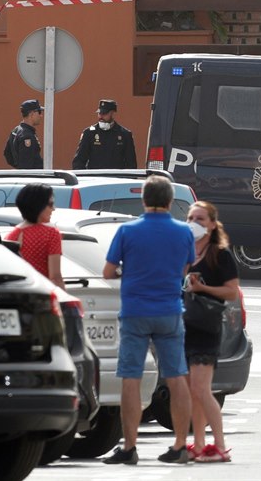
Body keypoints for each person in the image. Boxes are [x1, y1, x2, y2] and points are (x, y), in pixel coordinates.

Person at [101, 175, 196, 466]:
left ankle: (129, 447)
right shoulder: (184, 232)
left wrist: (126, 274)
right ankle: (180, 444)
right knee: (177, 375)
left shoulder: (127, 231)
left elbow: (108, 271)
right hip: (169, 310)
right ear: (169, 201)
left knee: (131, 376)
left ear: (144, 200)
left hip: (135, 311)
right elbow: (186, 268)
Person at [183, 201, 240, 463]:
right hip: (184, 326)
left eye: (201, 219)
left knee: (202, 389)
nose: (195, 223)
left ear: (212, 224)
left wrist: (202, 289)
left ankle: (220, 445)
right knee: (191, 390)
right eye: (191, 218)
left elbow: (231, 292)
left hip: (206, 326)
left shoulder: (220, 254)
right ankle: (198, 444)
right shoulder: (183, 252)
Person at [3, 183, 64, 289]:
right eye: (50, 204)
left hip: (21, 295)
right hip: (44, 294)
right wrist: (67, 301)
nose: (53, 209)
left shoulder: (12, 236)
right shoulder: (51, 233)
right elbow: (55, 276)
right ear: (38, 205)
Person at [72, 99, 137, 169]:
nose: (101, 116)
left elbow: (131, 163)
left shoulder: (125, 134)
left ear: (112, 113)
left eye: (104, 113)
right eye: (99, 113)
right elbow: (78, 161)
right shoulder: (89, 133)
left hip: (117, 178)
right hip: (95, 178)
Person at [3, 99, 44, 168]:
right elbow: (26, 166)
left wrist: (17, 167)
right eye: (39, 112)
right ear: (32, 114)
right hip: (32, 177)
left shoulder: (16, 130)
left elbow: (7, 154)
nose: (41, 115)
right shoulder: (27, 136)